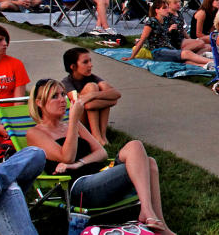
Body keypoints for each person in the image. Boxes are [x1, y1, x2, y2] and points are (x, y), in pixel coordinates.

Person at [26, 79, 174, 234]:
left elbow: (101, 153)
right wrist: (74, 121)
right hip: (79, 187)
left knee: (137, 148)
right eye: (54, 96)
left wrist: (80, 163)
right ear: (39, 103)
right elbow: (67, 157)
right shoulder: (36, 133)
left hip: (100, 174)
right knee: (146, 164)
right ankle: (151, 218)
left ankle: (153, 216)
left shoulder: (72, 125)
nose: (63, 100)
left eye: (63, 94)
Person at [60, 47, 121, 144]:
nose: (91, 65)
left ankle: (102, 136)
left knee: (102, 86)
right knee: (92, 86)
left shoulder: (92, 77)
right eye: (85, 62)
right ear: (73, 67)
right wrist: (110, 101)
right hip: (78, 122)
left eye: (90, 61)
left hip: (90, 112)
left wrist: (92, 95)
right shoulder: (66, 82)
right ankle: (96, 136)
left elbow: (117, 94)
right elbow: (79, 102)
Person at [125, 0, 210, 66]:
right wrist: (132, 56)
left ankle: (205, 65)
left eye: (167, 7)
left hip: (169, 49)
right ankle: (212, 62)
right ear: (157, 10)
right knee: (187, 53)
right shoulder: (151, 22)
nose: (167, 10)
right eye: (164, 8)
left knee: (200, 50)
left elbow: (179, 27)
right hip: (158, 52)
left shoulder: (165, 20)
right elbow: (142, 39)